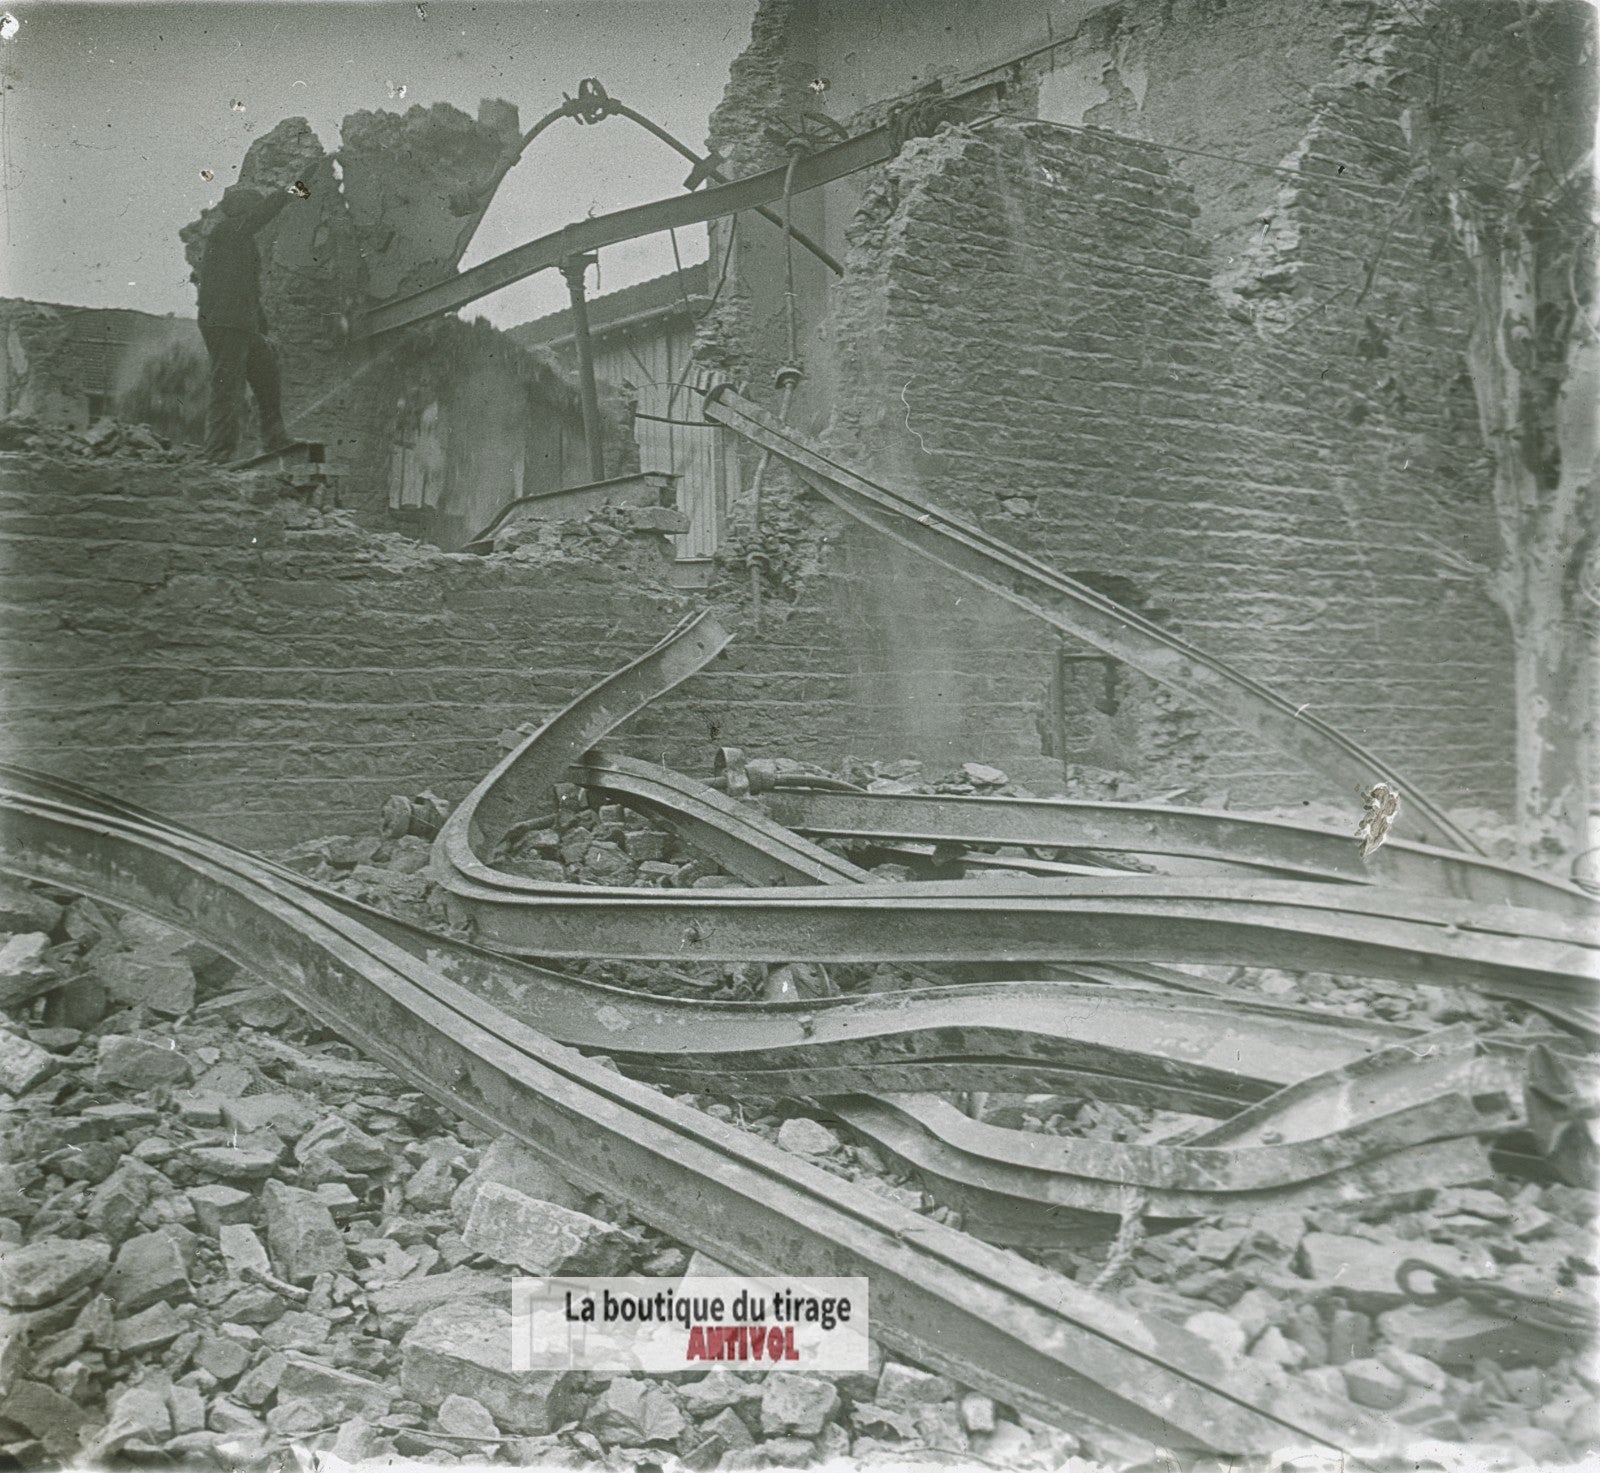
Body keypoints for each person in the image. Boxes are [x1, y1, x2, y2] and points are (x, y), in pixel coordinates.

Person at [196, 184, 296, 463]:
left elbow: (248, 290)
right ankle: (218, 452)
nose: (256, 210)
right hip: (224, 322)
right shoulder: (227, 231)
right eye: (252, 205)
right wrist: (292, 190)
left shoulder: (242, 242)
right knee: (228, 386)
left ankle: (275, 438)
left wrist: (262, 328)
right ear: (241, 208)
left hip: (241, 324)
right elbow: (262, 215)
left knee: (267, 376)